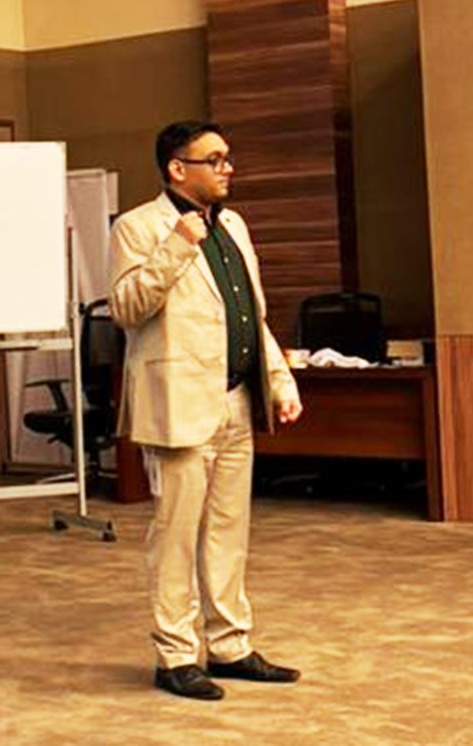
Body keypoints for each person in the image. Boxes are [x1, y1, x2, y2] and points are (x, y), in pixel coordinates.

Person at [108, 120, 304, 702]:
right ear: (177, 169)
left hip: (236, 401)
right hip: (177, 404)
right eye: (214, 160)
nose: (227, 169)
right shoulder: (138, 226)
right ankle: (175, 656)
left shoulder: (235, 227)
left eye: (227, 159)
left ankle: (229, 645)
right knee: (176, 533)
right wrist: (177, 245)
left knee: (227, 530)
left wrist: (277, 378)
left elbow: (250, 314)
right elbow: (126, 307)